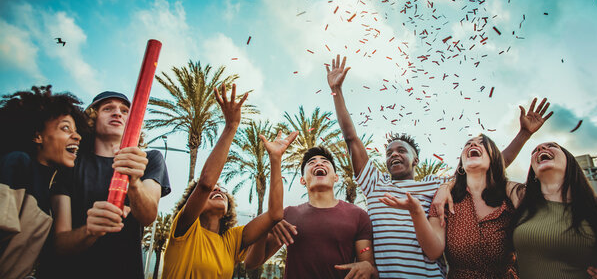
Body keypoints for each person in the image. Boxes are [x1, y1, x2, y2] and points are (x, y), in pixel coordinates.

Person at [326, 54, 551, 278]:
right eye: (389, 153)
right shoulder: (374, 183)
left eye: (401, 150)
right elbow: (351, 138)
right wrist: (337, 92)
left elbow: (488, 166)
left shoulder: (436, 185)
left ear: (416, 160)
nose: (394, 154)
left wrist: (523, 134)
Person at [161, 84, 297, 279]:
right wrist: (231, 126)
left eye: (222, 189)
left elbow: (275, 215)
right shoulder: (185, 229)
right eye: (212, 191)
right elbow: (206, 183)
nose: (217, 189)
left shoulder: (232, 240)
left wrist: (275, 159)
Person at [40, 91, 171, 279]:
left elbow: (148, 216)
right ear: (92, 119)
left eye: (125, 111)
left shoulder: (149, 159)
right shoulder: (70, 163)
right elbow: (60, 243)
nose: (117, 113)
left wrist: (134, 181)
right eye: (108, 108)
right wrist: (89, 231)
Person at [381, 134, 519, 278]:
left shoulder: (510, 196)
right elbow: (434, 251)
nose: (473, 145)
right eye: (468, 143)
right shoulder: (444, 200)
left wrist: (524, 134)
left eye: (481, 143)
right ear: (461, 163)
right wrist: (416, 211)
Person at [244, 146, 377, 279]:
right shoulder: (287, 215)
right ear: (302, 180)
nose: (319, 163)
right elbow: (251, 263)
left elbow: (369, 265)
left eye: (325, 161)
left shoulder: (358, 215)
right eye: (311, 162)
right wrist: (267, 225)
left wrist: (368, 267)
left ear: (336, 177)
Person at [512, 143, 597, 279]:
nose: (541, 149)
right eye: (534, 151)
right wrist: (524, 133)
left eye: (551, 146)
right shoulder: (521, 201)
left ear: (570, 162)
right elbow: (491, 170)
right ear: (534, 173)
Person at [0, 85, 85, 278]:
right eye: (65, 128)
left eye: (77, 130)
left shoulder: (51, 190)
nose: (77, 136)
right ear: (38, 136)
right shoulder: (17, 164)